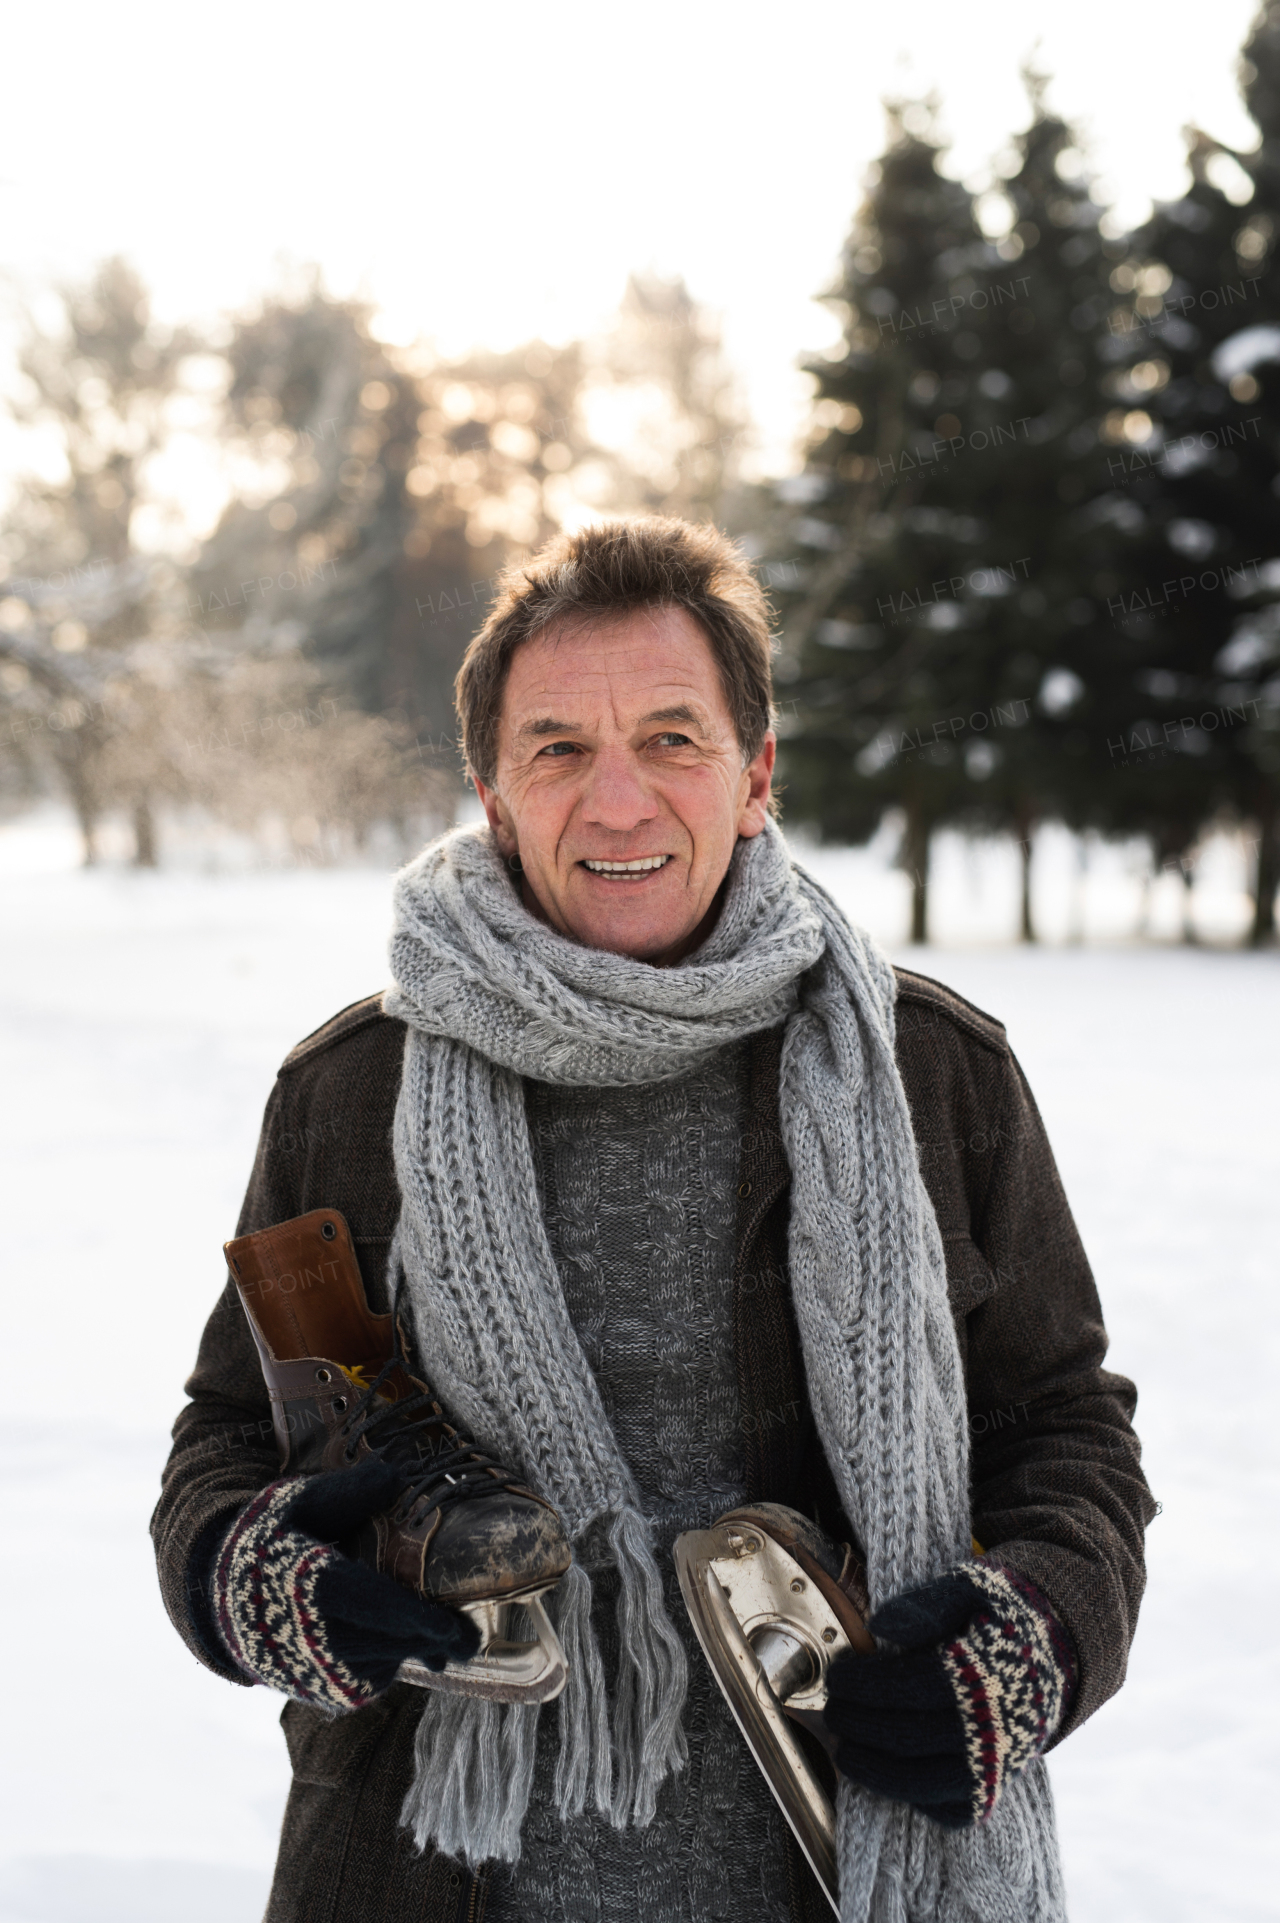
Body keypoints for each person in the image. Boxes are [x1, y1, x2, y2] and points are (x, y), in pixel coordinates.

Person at [152, 517, 1153, 1923]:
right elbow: (228, 1445)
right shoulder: (348, 1092)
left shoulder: (933, 1074)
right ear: (493, 796)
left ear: (755, 778)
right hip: (420, 1872)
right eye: (558, 747)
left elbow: (1065, 1430)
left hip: (839, 1872)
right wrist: (262, 1580)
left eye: (672, 739)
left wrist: (1032, 1636)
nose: (617, 803)